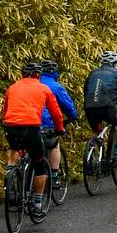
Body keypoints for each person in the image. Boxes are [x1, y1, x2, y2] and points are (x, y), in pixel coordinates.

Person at [2, 61, 64, 215]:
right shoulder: (44, 88)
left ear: (22, 74)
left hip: (11, 126)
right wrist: (59, 129)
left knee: (13, 147)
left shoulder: (12, 87)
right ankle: (37, 203)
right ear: (39, 75)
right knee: (40, 164)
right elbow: (56, 113)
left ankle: (10, 172)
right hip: (32, 127)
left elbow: (5, 109)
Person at [38, 59, 79, 188]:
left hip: (27, 122)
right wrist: (73, 117)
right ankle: (54, 177)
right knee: (54, 145)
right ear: (54, 72)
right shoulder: (55, 86)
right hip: (46, 123)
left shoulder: (35, 83)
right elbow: (67, 105)